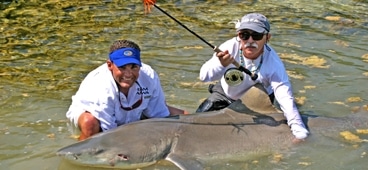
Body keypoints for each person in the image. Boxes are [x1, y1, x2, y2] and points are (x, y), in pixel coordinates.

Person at [196, 13, 309, 140]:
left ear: (267, 37)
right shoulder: (228, 47)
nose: (250, 41)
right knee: (196, 123)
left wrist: (297, 126)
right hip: (226, 94)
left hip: (258, 101)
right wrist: (221, 65)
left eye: (256, 35)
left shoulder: (274, 63)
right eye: (244, 35)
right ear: (238, 36)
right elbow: (203, 77)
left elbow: (284, 96)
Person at [66, 39, 189, 140]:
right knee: (90, 123)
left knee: (185, 117)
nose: (128, 74)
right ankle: (80, 154)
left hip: (134, 113)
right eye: (122, 67)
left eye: (134, 67)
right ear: (110, 65)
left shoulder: (149, 76)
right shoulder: (101, 87)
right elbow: (108, 134)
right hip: (98, 118)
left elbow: (159, 114)